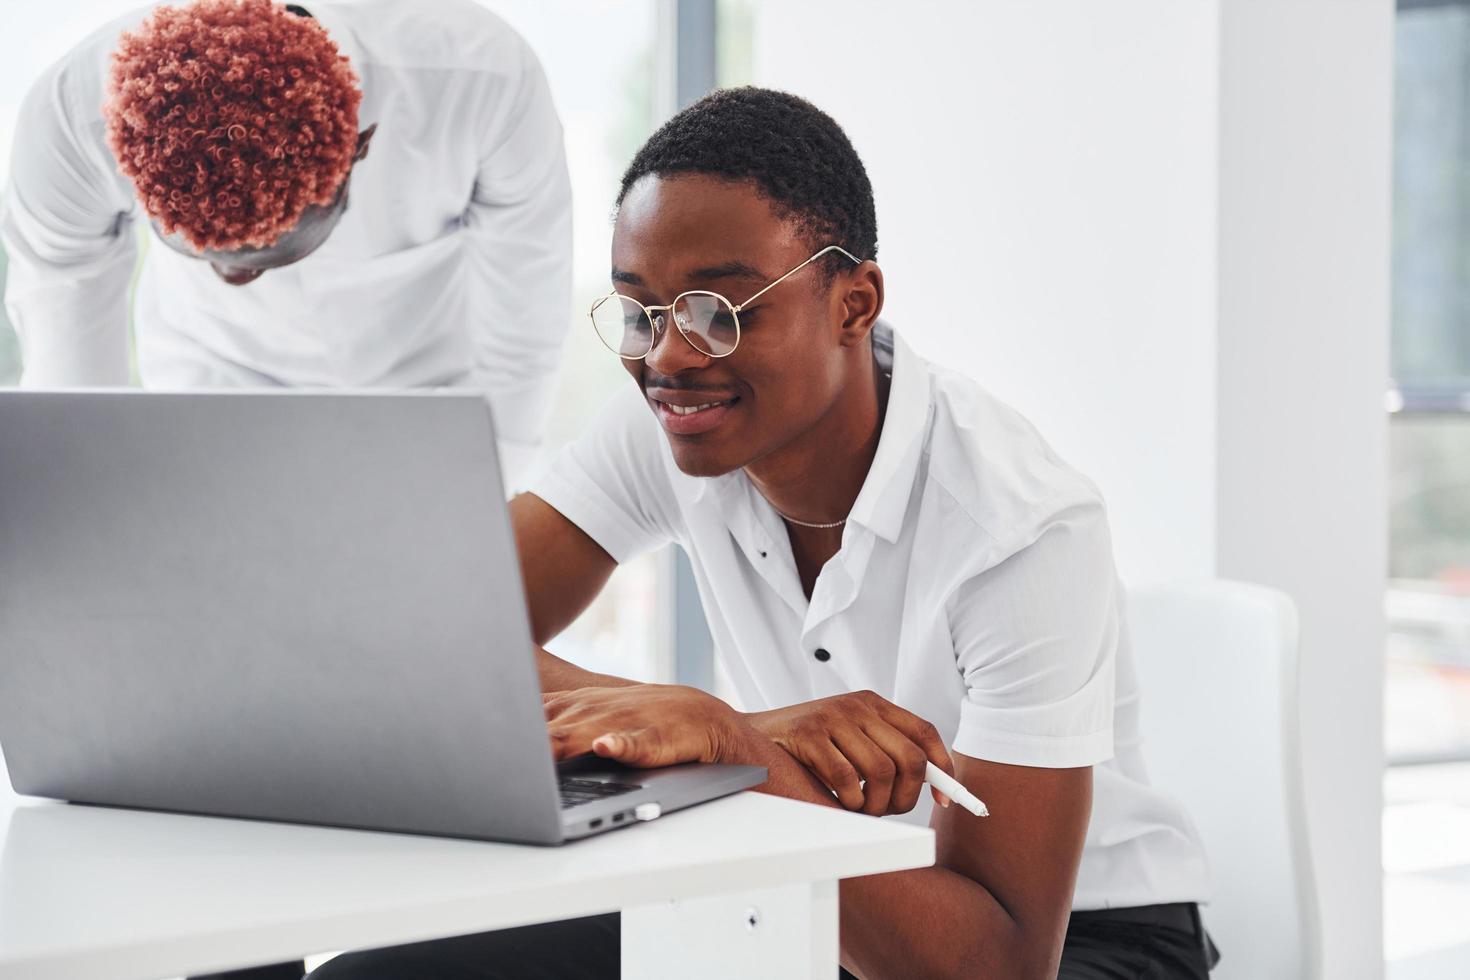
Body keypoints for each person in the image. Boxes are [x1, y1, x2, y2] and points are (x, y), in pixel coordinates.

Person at [305, 86, 1220, 979]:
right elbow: (413, 640)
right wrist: (739, 728)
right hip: (794, 891)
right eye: (640, 312)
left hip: (1081, 939)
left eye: (719, 311)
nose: (667, 357)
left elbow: (995, 965)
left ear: (853, 305)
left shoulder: (1019, 530)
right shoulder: (670, 427)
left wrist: (729, 748)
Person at [0, 0, 571, 483]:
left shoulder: (485, 80)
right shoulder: (75, 119)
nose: (234, 280)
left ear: (360, 148)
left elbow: (523, 330)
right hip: (204, 400)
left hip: (425, 405)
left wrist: (490, 496)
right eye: (202, 256)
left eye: (270, 258)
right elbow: (73, 398)